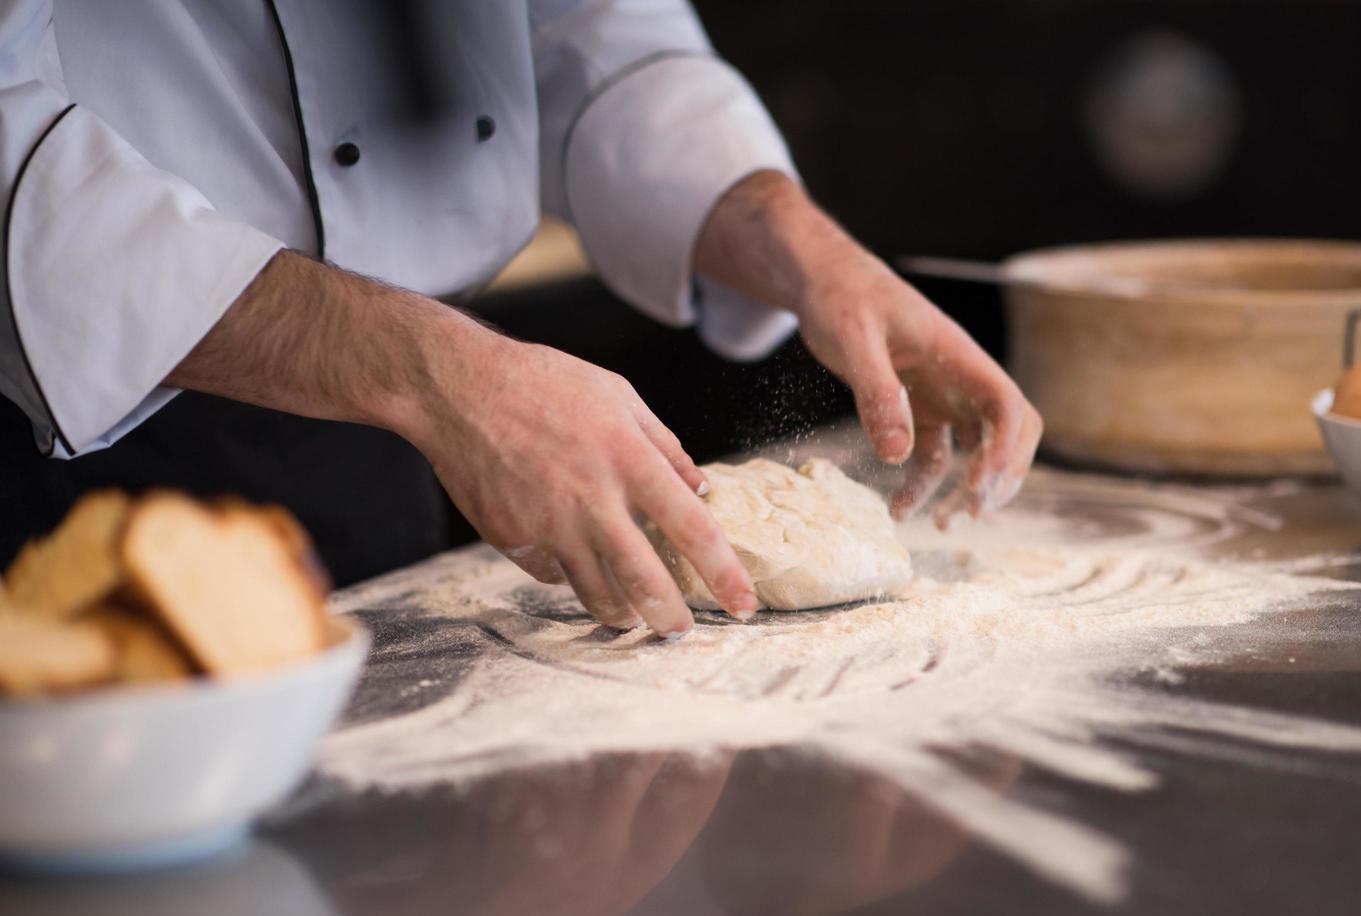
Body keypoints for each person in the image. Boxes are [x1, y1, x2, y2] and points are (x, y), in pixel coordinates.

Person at [0, 0, 1040, 637]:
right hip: (63, 462)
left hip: (387, 447)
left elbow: (581, 32)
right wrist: (433, 371)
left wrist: (794, 239)